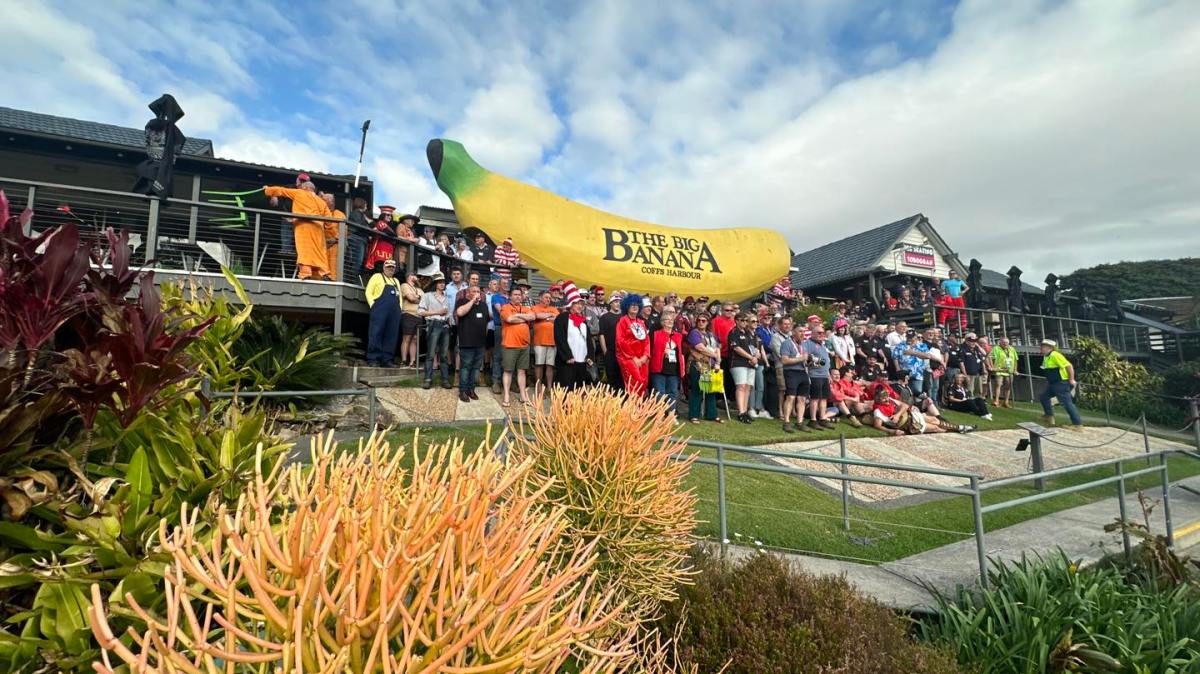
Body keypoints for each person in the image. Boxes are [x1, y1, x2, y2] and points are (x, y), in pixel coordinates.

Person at [264, 180, 330, 280]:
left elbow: (282, 191)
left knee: (305, 250)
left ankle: (305, 274)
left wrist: (268, 190)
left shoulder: (299, 193)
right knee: (318, 252)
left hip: (304, 227)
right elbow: (329, 219)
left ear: (305, 188)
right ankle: (322, 274)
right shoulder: (321, 201)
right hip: (318, 229)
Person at [498, 286, 535, 407]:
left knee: (522, 371)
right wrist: (524, 318)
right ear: (510, 296)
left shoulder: (525, 308)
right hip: (510, 344)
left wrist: (518, 317)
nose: (518, 296)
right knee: (508, 371)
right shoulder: (505, 307)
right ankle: (507, 395)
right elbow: (508, 318)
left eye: (519, 294)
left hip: (524, 345)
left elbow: (532, 317)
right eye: (515, 294)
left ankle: (523, 395)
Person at [454, 281, 490, 403]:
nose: (476, 294)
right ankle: (462, 391)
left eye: (478, 292)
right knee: (466, 367)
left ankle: (471, 389)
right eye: (473, 292)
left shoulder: (484, 305)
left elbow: (486, 321)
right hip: (467, 342)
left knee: (475, 368)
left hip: (480, 343)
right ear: (468, 293)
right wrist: (472, 301)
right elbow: (460, 313)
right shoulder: (462, 302)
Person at [553, 282, 593, 391]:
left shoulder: (583, 321)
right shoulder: (562, 318)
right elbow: (559, 339)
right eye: (577, 303)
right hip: (568, 361)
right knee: (567, 389)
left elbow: (588, 340)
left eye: (581, 304)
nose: (580, 306)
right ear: (571, 304)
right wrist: (567, 356)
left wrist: (590, 356)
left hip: (582, 361)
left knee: (579, 390)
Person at [686, 313, 723, 424]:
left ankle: (711, 415)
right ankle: (694, 415)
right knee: (697, 389)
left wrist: (718, 361)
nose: (701, 322)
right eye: (699, 320)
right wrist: (715, 356)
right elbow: (700, 347)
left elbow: (717, 348)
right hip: (698, 364)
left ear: (708, 322)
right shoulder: (694, 333)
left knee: (709, 390)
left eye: (704, 321)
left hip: (710, 365)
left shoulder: (711, 334)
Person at [1038, 339, 1082, 429]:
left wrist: (1072, 379)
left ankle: (1077, 424)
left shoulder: (1055, 355)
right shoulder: (1046, 356)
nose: (1041, 347)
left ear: (1049, 348)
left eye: (1043, 346)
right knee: (1044, 397)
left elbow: (1069, 366)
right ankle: (1049, 416)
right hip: (1053, 383)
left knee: (1067, 403)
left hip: (1061, 383)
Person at [418, 272, 452, 389]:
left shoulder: (446, 298)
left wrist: (449, 321)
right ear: (435, 284)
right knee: (431, 354)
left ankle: (445, 379)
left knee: (444, 355)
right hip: (433, 324)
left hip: (445, 325)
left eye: (443, 282)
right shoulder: (427, 296)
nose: (442, 284)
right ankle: (427, 379)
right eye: (440, 282)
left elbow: (449, 313)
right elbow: (421, 311)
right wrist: (437, 312)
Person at [364, 259, 401, 367]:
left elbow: (400, 298)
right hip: (379, 309)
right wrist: (373, 305)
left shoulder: (396, 281)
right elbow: (368, 291)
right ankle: (373, 359)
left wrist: (400, 308)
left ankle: (387, 359)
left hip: (394, 311)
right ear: (384, 268)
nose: (390, 269)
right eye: (388, 267)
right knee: (376, 333)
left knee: (391, 335)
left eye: (392, 268)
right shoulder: (377, 277)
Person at [777, 319, 810, 432]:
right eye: (800, 331)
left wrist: (809, 361)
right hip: (791, 372)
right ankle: (786, 422)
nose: (802, 334)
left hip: (802, 372)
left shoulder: (803, 345)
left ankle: (799, 422)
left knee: (802, 398)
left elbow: (805, 359)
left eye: (804, 332)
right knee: (790, 397)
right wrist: (800, 358)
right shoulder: (787, 343)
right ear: (793, 332)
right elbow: (784, 360)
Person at [650, 307, 685, 411]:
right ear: (662, 322)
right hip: (658, 368)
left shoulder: (678, 336)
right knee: (659, 393)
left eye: (671, 320)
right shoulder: (655, 334)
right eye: (667, 320)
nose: (670, 321)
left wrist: (682, 369)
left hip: (673, 368)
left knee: (673, 392)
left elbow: (681, 353)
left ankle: (670, 415)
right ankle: (659, 415)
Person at [616, 294, 650, 395]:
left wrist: (645, 356)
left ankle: (640, 408)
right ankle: (633, 408)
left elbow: (647, 340)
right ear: (627, 306)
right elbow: (620, 341)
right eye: (632, 304)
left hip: (642, 357)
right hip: (628, 358)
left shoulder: (641, 322)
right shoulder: (622, 321)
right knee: (635, 382)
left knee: (643, 382)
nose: (635, 306)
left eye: (637, 304)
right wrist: (633, 357)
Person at [727, 312, 759, 424]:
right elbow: (736, 348)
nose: (744, 322)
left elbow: (755, 347)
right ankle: (741, 412)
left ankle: (745, 411)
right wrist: (751, 357)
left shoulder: (748, 333)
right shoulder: (733, 332)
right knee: (741, 386)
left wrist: (756, 356)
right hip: (738, 362)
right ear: (736, 321)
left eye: (746, 320)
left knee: (748, 387)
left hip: (750, 363)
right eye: (742, 320)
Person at [802, 326, 834, 430]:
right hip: (814, 375)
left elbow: (827, 361)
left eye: (823, 333)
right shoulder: (808, 344)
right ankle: (813, 420)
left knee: (824, 398)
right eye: (819, 333)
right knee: (815, 398)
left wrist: (828, 374)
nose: (821, 335)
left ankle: (822, 418)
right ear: (813, 333)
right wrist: (821, 362)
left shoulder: (822, 345)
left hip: (824, 375)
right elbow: (806, 359)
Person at [530, 290, 559, 389]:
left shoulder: (553, 308)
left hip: (552, 341)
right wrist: (550, 316)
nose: (548, 299)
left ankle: (549, 387)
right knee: (539, 364)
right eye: (546, 297)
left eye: (549, 298)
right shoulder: (534, 308)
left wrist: (545, 317)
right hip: (539, 341)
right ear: (540, 298)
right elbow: (536, 316)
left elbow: (558, 319)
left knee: (550, 365)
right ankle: (538, 386)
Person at [489, 277, 511, 394]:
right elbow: (500, 311)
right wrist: (513, 313)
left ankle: (509, 382)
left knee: (510, 355)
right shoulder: (496, 297)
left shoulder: (511, 297)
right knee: (498, 355)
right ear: (499, 285)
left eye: (507, 283)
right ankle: (496, 382)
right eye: (504, 283)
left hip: (512, 329)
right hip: (500, 328)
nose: (506, 285)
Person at [598, 292, 624, 392]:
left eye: (619, 302)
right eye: (615, 302)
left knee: (622, 378)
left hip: (622, 352)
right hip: (611, 351)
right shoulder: (604, 317)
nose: (618, 304)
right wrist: (605, 352)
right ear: (611, 303)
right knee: (612, 378)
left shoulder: (623, 317)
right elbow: (601, 335)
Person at [398, 274, 423, 369]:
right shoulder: (404, 285)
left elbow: (424, 301)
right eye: (415, 276)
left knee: (415, 339)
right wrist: (417, 297)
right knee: (406, 338)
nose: (417, 278)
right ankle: (404, 361)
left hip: (419, 316)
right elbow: (411, 298)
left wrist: (416, 297)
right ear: (410, 276)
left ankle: (413, 362)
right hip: (408, 314)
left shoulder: (420, 289)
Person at [753, 312, 774, 419]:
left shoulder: (771, 330)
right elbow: (765, 345)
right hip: (759, 359)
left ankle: (760, 407)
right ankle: (755, 407)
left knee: (762, 386)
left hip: (767, 360)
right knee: (758, 385)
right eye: (764, 317)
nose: (767, 319)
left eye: (769, 317)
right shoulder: (759, 330)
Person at [364, 205, 397, 274]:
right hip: (381, 250)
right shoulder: (380, 222)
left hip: (388, 251)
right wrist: (393, 235)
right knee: (379, 268)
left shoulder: (389, 226)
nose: (389, 217)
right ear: (383, 215)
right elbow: (390, 233)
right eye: (387, 215)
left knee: (386, 269)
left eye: (391, 216)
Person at [319, 193, 345, 281]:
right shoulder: (319, 213)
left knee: (334, 264)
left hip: (335, 245)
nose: (323, 202)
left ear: (332, 202)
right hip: (321, 244)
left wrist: (334, 240)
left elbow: (344, 230)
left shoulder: (339, 214)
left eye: (325, 200)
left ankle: (333, 280)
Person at [989, 336, 1018, 408]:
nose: (1005, 344)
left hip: (1009, 371)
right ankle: (996, 401)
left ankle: (1006, 402)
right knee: (998, 384)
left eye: (1007, 342)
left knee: (1008, 386)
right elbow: (990, 358)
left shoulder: (1012, 349)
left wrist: (1015, 370)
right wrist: (993, 367)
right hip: (1000, 370)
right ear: (1000, 342)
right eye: (1004, 342)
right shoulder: (996, 348)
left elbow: (1015, 360)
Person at [960, 333, 987, 398]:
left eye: (975, 341)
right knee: (970, 391)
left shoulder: (976, 349)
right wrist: (965, 375)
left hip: (978, 373)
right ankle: (971, 405)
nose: (973, 343)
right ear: (966, 341)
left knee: (978, 391)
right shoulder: (963, 349)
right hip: (969, 374)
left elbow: (984, 353)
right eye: (971, 341)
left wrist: (976, 345)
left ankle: (978, 404)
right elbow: (961, 364)